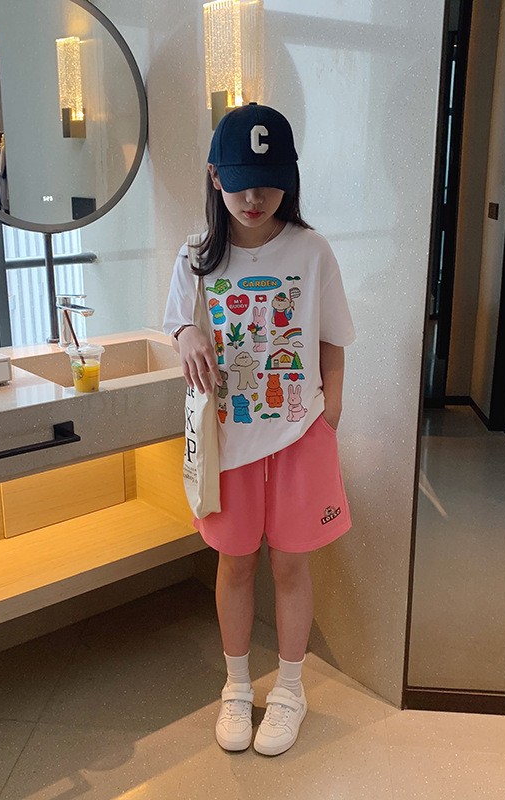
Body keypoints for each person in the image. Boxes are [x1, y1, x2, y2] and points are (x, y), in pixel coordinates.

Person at [163, 103, 355, 756]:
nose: (254, 199)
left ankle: (292, 690)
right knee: (236, 563)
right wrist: (187, 333)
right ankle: (237, 687)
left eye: (269, 185)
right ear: (215, 176)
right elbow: (178, 322)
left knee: (293, 565)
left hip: (300, 437)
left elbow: (333, 342)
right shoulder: (196, 256)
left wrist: (329, 417)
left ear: (289, 180)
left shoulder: (311, 250)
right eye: (242, 183)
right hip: (230, 442)